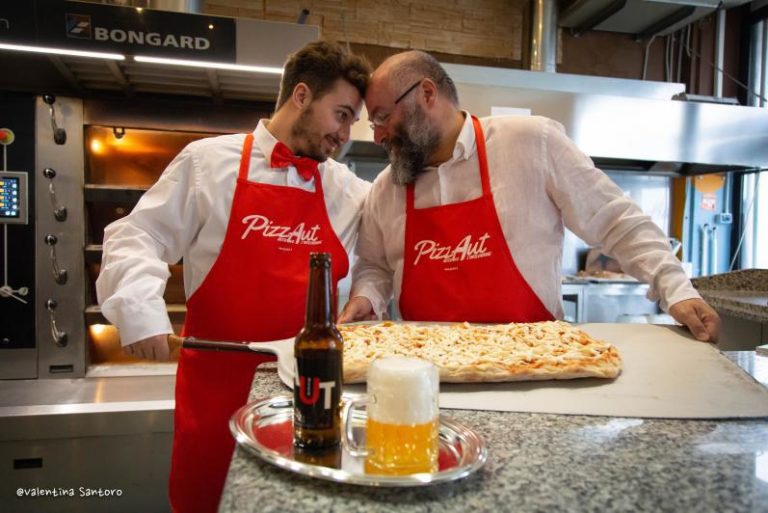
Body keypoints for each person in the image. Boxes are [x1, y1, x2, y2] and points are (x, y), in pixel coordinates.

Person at [96, 41, 372, 512]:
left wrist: (366, 293)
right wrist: (140, 311)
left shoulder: (347, 189)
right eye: (342, 114)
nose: (345, 133)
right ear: (301, 95)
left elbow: (376, 259)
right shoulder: (207, 163)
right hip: (218, 399)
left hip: (313, 403)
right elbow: (138, 235)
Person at [339, 50, 720, 343]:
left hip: (534, 363)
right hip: (425, 372)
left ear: (426, 93)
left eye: (382, 117)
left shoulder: (531, 142)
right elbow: (375, 266)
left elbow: (616, 220)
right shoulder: (387, 188)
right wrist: (367, 298)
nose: (378, 136)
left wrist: (675, 289)